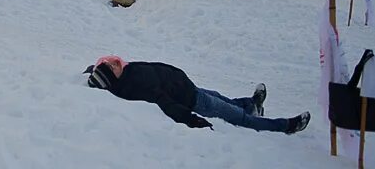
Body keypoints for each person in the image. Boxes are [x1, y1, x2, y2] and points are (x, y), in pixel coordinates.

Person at [84, 55, 309, 134]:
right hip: (195, 101)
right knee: (241, 119)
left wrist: (91, 71)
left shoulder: (124, 75)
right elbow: (164, 103)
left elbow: (100, 73)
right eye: (111, 67)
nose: (115, 62)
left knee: (227, 101)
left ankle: (252, 103)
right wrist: (192, 120)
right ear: (112, 78)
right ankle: (286, 126)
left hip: (190, 89)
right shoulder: (134, 87)